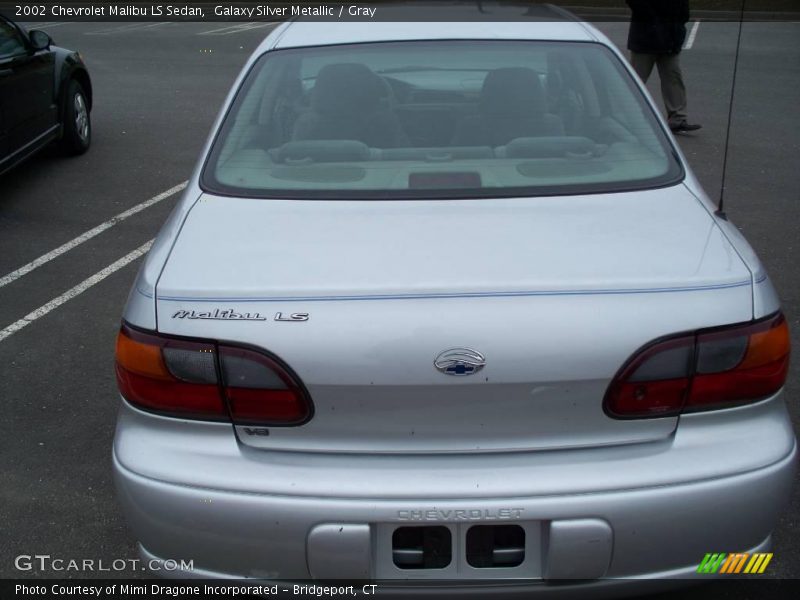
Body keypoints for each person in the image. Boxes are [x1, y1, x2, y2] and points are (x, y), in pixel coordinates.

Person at [626, 0, 702, 133]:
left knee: (673, 78)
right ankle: (624, 116)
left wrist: (680, 24)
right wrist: (652, 22)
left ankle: (678, 119)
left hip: (670, 40)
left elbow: (683, 8)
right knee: (635, 81)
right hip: (645, 39)